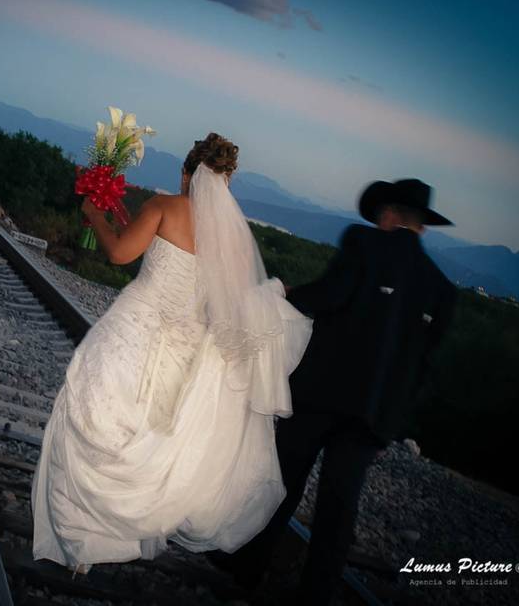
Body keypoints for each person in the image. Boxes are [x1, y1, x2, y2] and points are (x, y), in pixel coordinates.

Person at [31, 134, 313, 572]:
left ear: (186, 173)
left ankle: (80, 538)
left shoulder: (165, 206)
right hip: (183, 349)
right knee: (145, 436)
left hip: (133, 329)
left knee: (93, 415)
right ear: (225, 184)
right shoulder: (233, 240)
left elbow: (120, 253)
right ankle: (110, 536)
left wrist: (94, 214)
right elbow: (230, 307)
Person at [215, 178, 458, 604]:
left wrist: (286, 295)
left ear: (390, 214)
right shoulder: (441, 289)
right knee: (339, 508)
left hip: (321, 394)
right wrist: (390, 423)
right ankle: (316, 595)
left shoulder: (364, 243)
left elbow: (331, 295)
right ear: (422, 224)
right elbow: (424, 368)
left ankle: (246, 566)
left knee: (282, 481)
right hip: (373, 416)